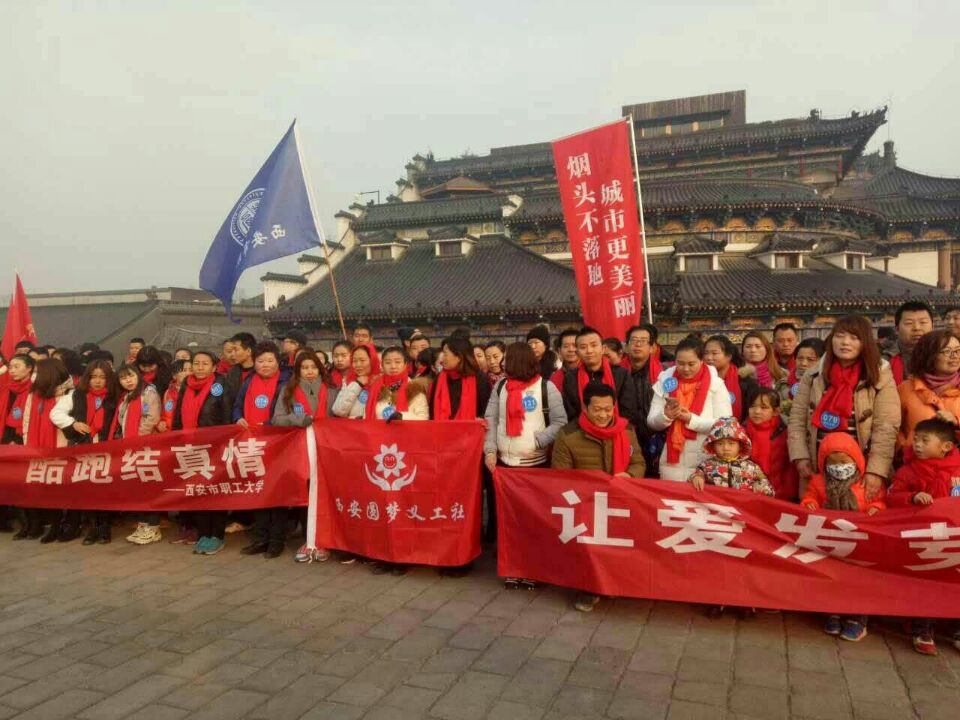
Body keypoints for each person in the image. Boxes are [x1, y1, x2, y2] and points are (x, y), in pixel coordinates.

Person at [552, 382, 644, 612]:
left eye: (608, 409)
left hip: (620, 499)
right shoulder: (568, 435)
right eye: (597, 409)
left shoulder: (626, 430)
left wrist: (630, 475)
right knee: (589, 550)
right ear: (585, 408)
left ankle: (616, 583)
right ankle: (589, 589)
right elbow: (561, 476)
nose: (603, 415)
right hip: (586, 503)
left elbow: (638, 462)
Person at [788, 314, 900, 500]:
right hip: (817, 468)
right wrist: (800, 456)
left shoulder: (880, 376)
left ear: (865, 343)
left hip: (862, 470)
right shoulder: (813, 375)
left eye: (854, 338)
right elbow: (797, 419)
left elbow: (886, 428)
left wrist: (876, 470)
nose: (845, 342)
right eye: (839, 336)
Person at [802, 432, 885, 643]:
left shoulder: (867, 483)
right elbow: (810, 496)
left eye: (844, 461)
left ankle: (858, 619)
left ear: (856, 460)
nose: (839, 467)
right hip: (832, 540)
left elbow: (880, 500)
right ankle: (834, 613)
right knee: (833, 576)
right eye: (833, 462)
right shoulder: (819, 481)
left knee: (860, 581)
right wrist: (809, 503)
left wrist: (876, 508)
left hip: (861, 543)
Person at [888, 417, 960, 655]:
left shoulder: (957, 470)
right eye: (916, 439)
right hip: (925, 540)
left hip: (954, 540)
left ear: (946, 447)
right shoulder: (909, 471)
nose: (917, 444)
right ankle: (922, 630)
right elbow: (893, 496)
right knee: (927, 584)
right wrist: (912, 498)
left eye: (925, 440)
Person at [272, 350, 334, 564]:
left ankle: (324, 540)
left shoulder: (332, 389)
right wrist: (297, 419)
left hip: (327, 448)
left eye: (313, 367)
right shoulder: (288, 390)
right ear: (297, 371)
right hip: (299, 449)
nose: (309, 371)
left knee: (324, 493)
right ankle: (309, 540)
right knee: (305, 493)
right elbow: (277, 419)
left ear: (320, 369)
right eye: (304, 368)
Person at [234, 342, 293, 558]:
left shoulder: (287, 382)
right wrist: (237, 418)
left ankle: (276, 541)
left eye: (269, 360)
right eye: (260, 361)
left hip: (278, 444)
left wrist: (269, 425)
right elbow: (237, 406)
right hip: (252, 444)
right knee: (257, 491)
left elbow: (287, 412)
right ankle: (260, 539)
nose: (265, 365)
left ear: (278, 362)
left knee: (277, 493)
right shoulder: (249, 381)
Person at [171, 350, 232, 555]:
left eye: (205, 364)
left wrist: (223, 444)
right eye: (196, 363)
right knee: (198, 491)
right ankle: (204, 533)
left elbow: (226, 416)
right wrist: (175, 439)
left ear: (214, 367)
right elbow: (178, 414)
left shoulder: (219, 385)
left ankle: (217, 536)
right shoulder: (187, 384)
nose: (200, 367)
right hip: (190, 447)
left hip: (214, 447)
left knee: (216, 491)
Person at [648, 336, 733, 482]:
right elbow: (651, 421)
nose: (685, 369)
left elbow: (725, 424)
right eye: (680, 363)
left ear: (701, 360)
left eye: (691, 364)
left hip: (705, 462)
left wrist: (691, 419)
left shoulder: (715, 384)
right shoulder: (666, 381)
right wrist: (666, 416)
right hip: (670, 461)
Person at [50, 359, 116, 544]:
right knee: (87, 489)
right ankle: (93, 528)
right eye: (94, 376)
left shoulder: (115, 395)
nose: (97, 381)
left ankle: (105, 528)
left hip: (108, 448)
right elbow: (56, 413)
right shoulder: (76, 394)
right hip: (82, 447)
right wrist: (73, 423)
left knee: (104, 490)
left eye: (102, 377)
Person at [22, 359, 72, 544]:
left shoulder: (68, 394)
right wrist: (28, 444)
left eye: (37, 372)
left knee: (60, 491)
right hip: (36, 448)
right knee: (43, 489)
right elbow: (26, 420)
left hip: (59, 450)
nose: (34, 375)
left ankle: (65, 525)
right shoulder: (33, 394)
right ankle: (51, 525)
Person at [111, 364, 162, 544]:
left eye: (131, 376)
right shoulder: (126, 396)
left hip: (146, 447)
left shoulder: (148, 392)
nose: (128, 380)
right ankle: (143, 524)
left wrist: (136, 440)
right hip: (131, 448)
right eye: (123, 378)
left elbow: (151, 418)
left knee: (149, 488)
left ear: (138, 375)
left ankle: (154, 527)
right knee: (138, 489)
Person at [897, 329, 960, 451]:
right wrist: (904, 448)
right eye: (947, 351)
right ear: (929, 355)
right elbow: (892, 428)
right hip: (915, 460)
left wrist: (957, 422)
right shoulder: (905, 389)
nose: (955, 356)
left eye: (958, 350)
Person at [560, 327, 637, 423]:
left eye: (594, 345)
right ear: (577, 352)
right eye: (583, 347)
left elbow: (628, 410)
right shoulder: (570, 378)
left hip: (617, 429)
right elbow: (571, 413)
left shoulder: (621, 374)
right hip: (582, 430)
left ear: (603, 349)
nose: (589, 351)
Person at [626, 323, 670, 477]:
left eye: (643, 341)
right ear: (627, 346)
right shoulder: (616, 373)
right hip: (627, 436)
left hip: (656, 436)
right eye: (633, 340)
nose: (637, 344)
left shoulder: (664, 374)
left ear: (652, 348)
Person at [745, 389, 798, 501]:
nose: (757, 411)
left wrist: (787, 494)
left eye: (764, 407)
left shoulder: (785, 433)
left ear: (776, 411)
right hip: (750, 494)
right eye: (753, 406)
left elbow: (790, 468)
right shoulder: (741, 433)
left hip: (781, 495)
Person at [703, 335, 760, 423]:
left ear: (728, 356)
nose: (709, 358)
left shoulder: (745, 382)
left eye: (714, 353)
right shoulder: (699, 379)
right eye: (706, 353)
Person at [367, 346, 429, 421]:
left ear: (405, 364)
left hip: (405, 428)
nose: (393, 366)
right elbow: (366, 414)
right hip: (377, 429)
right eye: (388, 363)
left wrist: (402, 416)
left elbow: (423, 418)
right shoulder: (375, 388)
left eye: (397, 362)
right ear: (382, 365)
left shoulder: (414, 388)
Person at [886, 301, 935, 385]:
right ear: (897, 329)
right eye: (909, 323)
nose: (917, 328)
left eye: (923, 322)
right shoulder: (884, 359)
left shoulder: (944, 354)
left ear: (932, 327)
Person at [332, 344, 380, 419]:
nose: (358, 365)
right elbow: (338, 410)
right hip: (352, 426)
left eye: (362, 360)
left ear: (372, 360)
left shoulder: (382, 383)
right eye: (354, 361)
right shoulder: (348, 381)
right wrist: (357, 385)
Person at [783, 338, 825, 416]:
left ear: (823, 361)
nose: (803, 363)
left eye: (810, 359)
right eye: (800, 358)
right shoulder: (783, 384)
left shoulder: (828, 385)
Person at [157, 359, 190, 433]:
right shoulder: (168, 392)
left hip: (186, 431)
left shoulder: (194, 391)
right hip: (170, 432)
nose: (188, 373)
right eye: (184, 370)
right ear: (174, 376)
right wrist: (162, 422)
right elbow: (164, 413)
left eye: (190, 370)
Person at [225, 333, 257, 400]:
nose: (232, 354)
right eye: (231, 350)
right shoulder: (233, 372)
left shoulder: (261, 371)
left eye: (236, 350)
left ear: (248, 351)